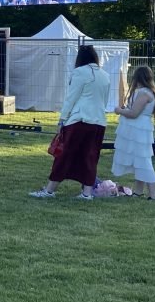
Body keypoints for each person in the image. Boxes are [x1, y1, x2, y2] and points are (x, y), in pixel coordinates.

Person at [30, 45, 111, 200]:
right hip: (99, 122)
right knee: (91, 157)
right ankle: (87, 193)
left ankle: (49, 190)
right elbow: (104, 101)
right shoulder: (105, 76)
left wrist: (63, 119)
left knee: (64, 155)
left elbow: (71, 98)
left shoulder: (79, 73)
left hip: (79, 120)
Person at [112, 66, 155, 200]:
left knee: (144, 162)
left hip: (139, 131)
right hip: (138, 131)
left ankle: (153, 194)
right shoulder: (147, 92)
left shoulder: (144, 93)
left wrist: (119, 110)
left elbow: (134, 113)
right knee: (139, 161)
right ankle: (138, 191)